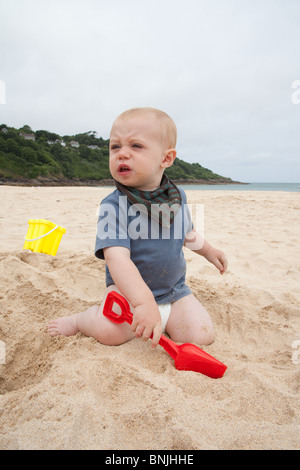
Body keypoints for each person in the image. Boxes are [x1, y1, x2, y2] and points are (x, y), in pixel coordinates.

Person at [47, 107, 228, 348]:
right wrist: (142, 303)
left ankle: (164, 318)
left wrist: (209, 251)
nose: (122, 154)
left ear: (166, 159)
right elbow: (117, 259)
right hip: (128, 294)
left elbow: (186, 233)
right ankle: (81, 320)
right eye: (115, 147)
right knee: (110, 332)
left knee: (200, 336)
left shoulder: (176, 197)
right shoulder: (114, 205)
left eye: (136, 146)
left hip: (173, 291)